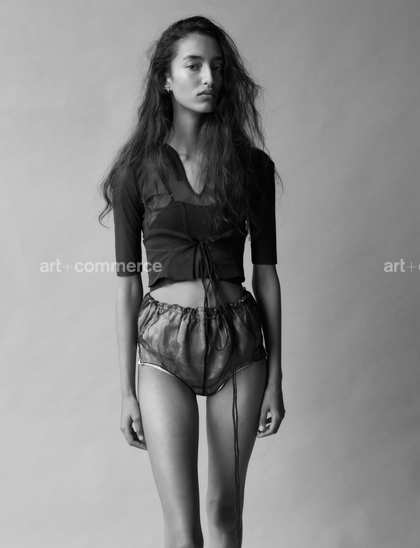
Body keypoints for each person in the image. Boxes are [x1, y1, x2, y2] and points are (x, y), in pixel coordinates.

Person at [99, 15, 285, 548]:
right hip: (163, 348)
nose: (209, 78)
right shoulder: (135, 170)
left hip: (240, 345)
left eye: (218, 68)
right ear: (165, 78)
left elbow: (266, 274)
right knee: (183, 531)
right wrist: (125, 392)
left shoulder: (251, 167)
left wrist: (275, 378)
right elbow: (127, 285)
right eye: (194, 65)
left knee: (225, 512)